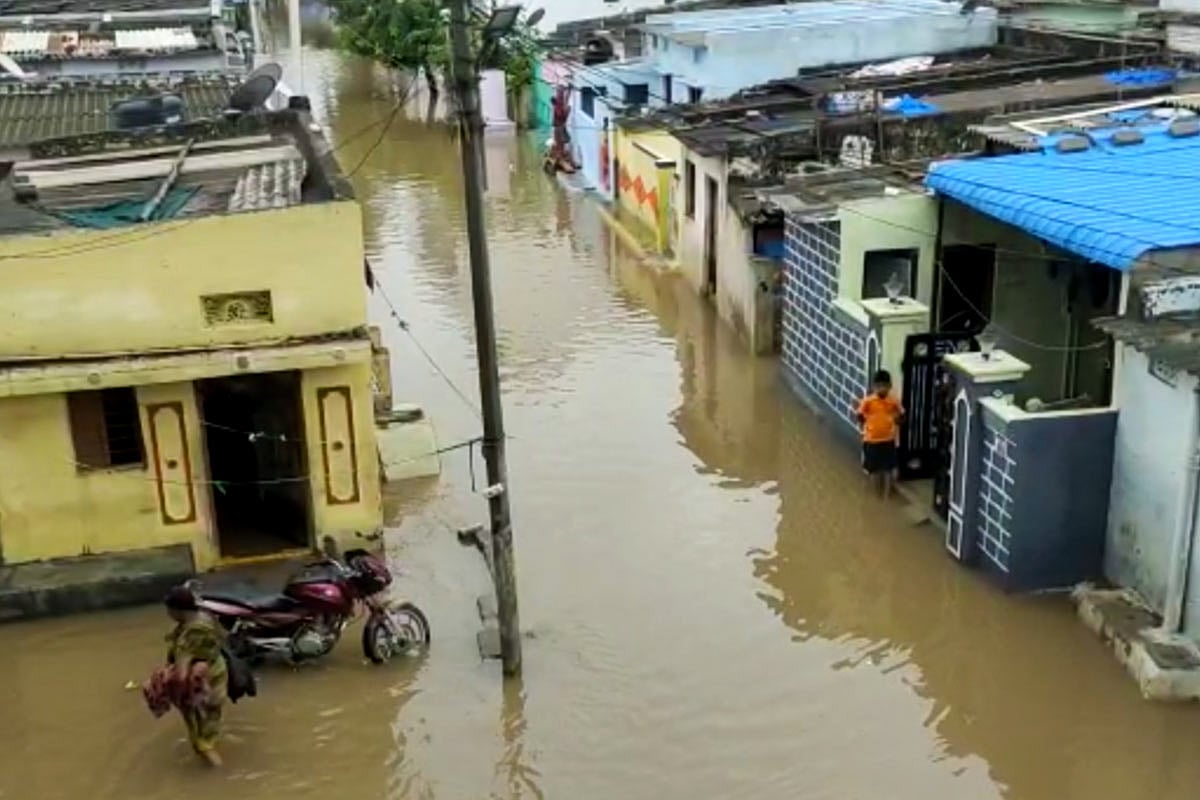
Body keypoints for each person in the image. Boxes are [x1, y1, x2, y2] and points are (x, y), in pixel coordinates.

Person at [163, 583, 228, 767]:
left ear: (176, 610)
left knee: (200, 739)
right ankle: (210, 747)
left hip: (198, 686)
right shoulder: (207, 617)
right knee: (212, 719)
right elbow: (223, 638)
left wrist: (169, 688)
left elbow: (181, 675)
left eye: (169, 610)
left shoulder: (189, 635)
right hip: (217, 673)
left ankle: (217, 772)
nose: (168, 614)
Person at [855, 369, 904, 499]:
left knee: (888, 469)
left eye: (884, 386)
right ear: (874, 387)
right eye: (879, 386)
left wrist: (896, 420)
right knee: (873, 470)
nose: (882, 389)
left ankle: (886, 496)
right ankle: (875, 496)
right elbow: (859, 415)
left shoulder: (893, 401)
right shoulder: (868, 401)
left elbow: (902, 415)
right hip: (871, 441)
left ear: (889, 386)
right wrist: (864, 426)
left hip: (888, 440)